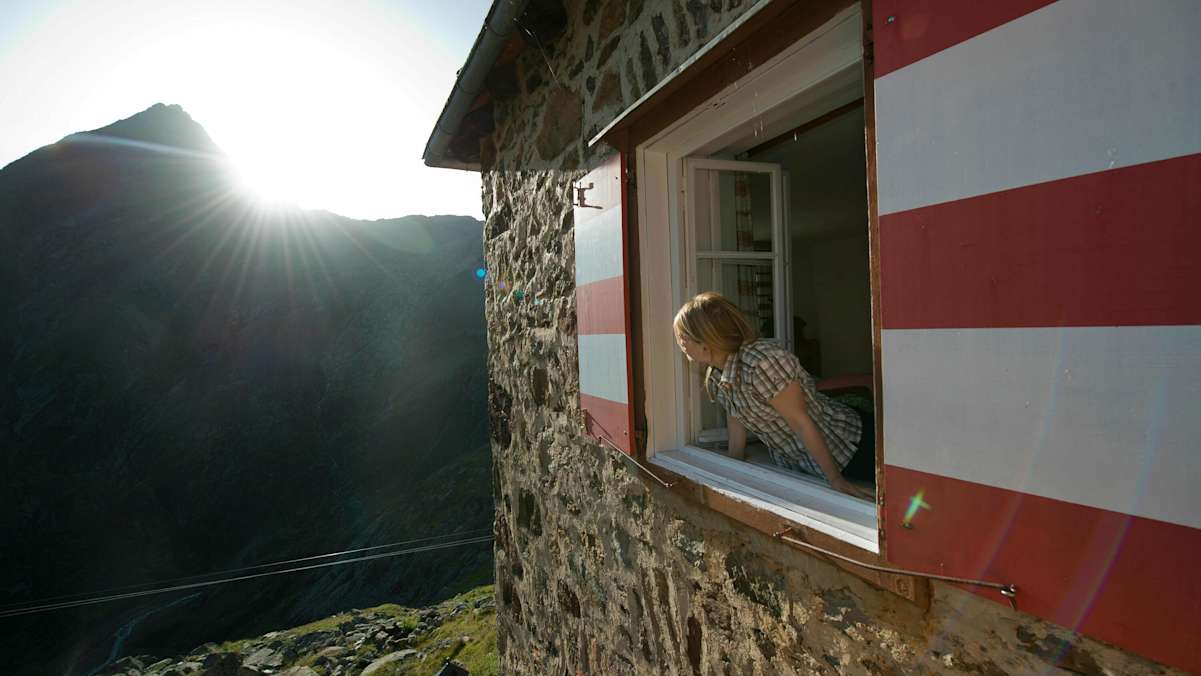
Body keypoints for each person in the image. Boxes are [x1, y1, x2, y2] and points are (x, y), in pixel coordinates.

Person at [673, 292, 874, 500]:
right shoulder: (717, 371)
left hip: (849, 449)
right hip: (806, 463)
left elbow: (800, 422)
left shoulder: (761, 363)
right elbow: (736, 415)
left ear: (706, 341)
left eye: (683, 337)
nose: (680, 343)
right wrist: (734, 460)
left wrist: (835, 480)